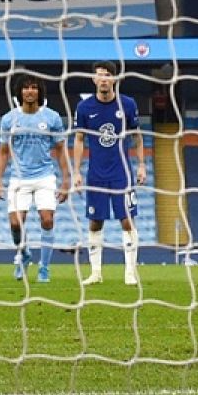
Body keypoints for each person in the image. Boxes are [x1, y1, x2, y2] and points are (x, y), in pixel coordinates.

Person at [71, 61, 147, 286]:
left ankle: (130, 273)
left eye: (107, 75)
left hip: (122, 174)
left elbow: (137, 136)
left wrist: (142, 165)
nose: (103, 79)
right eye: (99, 76)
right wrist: (76, 171)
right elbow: (79, 139)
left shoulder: (128, 104)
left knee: (127, 222)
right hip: (96, 174)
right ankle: (96, 273)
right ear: (93, 80)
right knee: (95, 222)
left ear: (114, 79)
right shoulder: (84, 108)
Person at [0, 73, 70, 284]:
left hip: (45, 176)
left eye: (34, 87)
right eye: (26, 88)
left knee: (47, 219)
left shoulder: (52, 117)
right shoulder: (9, 119)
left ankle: (44, 268)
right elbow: (2, 152)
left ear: (39, 91)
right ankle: (24, 254)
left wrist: (66, 180)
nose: (30, 91)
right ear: (19, 92)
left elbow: (61, 150)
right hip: (19, 178)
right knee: (16, 224)